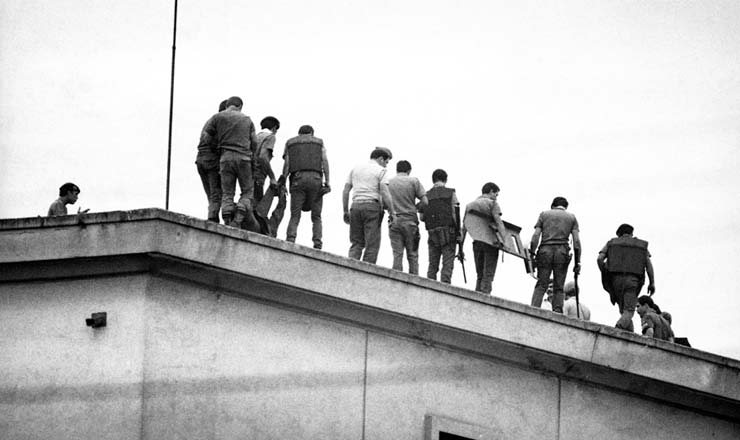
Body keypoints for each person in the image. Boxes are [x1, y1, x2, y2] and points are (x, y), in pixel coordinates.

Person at [202, 96, 260, 229]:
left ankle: (227, 220)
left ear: (228, 105)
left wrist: (216, 148)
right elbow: (254, 142)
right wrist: (253, 157)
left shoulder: (217, 117)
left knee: (227, 192)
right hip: (244, 158)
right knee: (247, 191)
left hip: (225, 158)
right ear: (240, 106)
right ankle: (239, 214)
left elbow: (206, 136)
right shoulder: (247, 119)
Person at [597, 223, 656, 332]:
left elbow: (600, 259)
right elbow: (648, 265)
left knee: (624, 311)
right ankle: (617, 330)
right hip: (632, 281)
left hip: (615, 281)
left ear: (619, 234)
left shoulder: (611, 243)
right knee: (629, 311)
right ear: (631, 233)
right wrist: (652, 283)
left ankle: (629, 333)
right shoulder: (640, 246)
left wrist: (605, 272)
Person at [342, 147, 395, 263]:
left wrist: (345, 211)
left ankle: (350, 269)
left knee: (356, 243)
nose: (386, 166)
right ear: (381, 159)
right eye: (386, 162)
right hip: (372, 208)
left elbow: (346, 190)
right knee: (372, 245)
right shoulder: (381, 171)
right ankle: (366, 274)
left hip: (355, 207)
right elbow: (385, 192)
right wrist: (392, 212)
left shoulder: (356, 169)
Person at [529, 196, 581, 314]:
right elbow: (576, 242)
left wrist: (532, 254)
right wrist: (577, 262)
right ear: (565, 207)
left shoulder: (544, 215)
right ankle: (557, 313)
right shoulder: (572, 218)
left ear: (552, 206)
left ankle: (533, 310)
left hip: (544, 251)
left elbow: (535, 237)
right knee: (559, 286)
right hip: (562, 253)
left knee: (541, 284)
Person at [282, 125, 330, 249]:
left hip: (297, 179)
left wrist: (283, 180)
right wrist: (328, 181)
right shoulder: (319, 142)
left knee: (295, 215)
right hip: (316, 179)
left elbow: (287, 164)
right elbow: (324, 161)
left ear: (299, 133)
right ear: (312, 133)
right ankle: (317, 243)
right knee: (316, 216)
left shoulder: (290, 143)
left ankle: (290, 240)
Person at [461, 182, 505, 293]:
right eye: (496, 194)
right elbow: (499, 223)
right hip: (491, 243)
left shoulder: (470, 205)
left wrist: (460, 248)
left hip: (476, 243)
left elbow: (464, 228)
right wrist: (504, 241)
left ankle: (477, 300)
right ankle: (485, 300)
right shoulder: (493, 203)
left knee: (479, 275)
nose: (496, 197)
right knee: (488, 275)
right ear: (491, 191)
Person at [387, 160, 427, 274]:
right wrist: (415, 207)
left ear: (396, 170)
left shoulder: (389, 182)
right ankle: (413, 285)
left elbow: (384, 201)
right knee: (413, 256)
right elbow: (425, 201)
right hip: (411, 222)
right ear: (409, 170)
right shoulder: (414, 181)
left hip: (394, 221)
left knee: (397, 254)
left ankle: (396, 284)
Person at [421, 169, 460, 284]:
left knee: (432, 265)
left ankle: (429, 287)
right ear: (446, 179)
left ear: (433, 180)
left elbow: (422, 217)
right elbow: (455, 213)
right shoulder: (451, 193)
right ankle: (445, 289)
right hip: (449, 233)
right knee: (447, 265)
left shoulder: (426, 195)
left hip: (432, 233)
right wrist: (459, 233)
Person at [195, 99, 227, 222]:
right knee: (216, 193)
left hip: (201, 159)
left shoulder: (210, 120)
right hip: (212, 161)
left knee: (211, 194)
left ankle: (212, 215)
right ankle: (213, 219)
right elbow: (212, 141)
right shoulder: (221, 121)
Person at [253, 116, 280, 204]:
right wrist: (272, 177)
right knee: (257, 204)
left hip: (247, 173)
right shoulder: (270, 137)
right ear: (274, 128)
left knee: (248, 198)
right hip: (258, 173)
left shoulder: (255, 137)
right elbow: (263, 157)